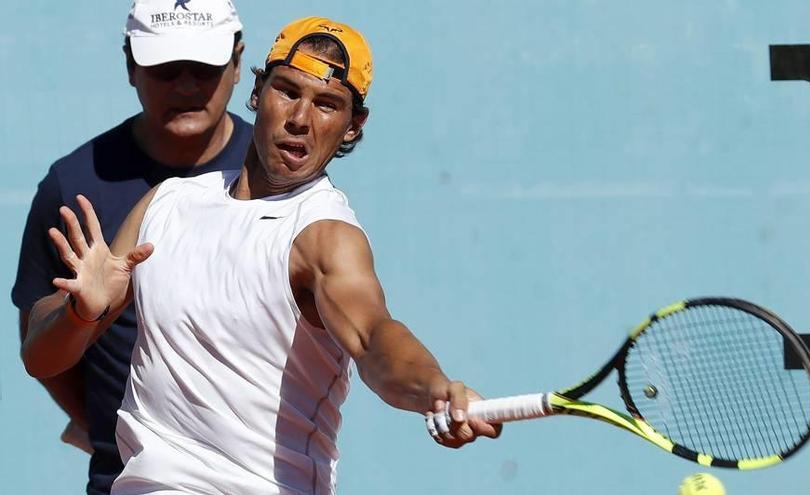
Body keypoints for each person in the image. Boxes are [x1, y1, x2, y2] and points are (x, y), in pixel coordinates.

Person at [22, 15, 501, 495]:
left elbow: (377, 338)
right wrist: (80, 314)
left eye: (328, 105)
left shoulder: (325, 237)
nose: (300, 119)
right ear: (256, 92)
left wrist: (435, 389)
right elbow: (43, 359)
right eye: (288, 91)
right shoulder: (166, 203)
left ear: (354, 126)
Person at [12, 0, 251, 493]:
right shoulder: (72, 185)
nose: (185, 86)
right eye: (165, 67)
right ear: (130, 65)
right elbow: (39, 349)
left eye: (204, 67)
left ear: (237, 63)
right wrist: (114, 426)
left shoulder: (282, 175)